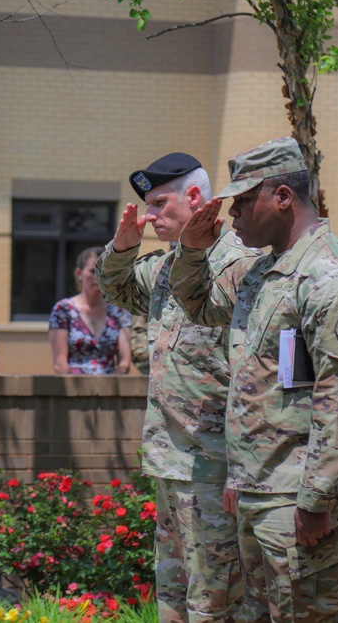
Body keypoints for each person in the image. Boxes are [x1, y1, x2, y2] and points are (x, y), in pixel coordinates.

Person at [169, 138, 338, 623]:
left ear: (284, 197)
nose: (235, 214)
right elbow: (200, 307)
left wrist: (315, 499)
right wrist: (190, 251)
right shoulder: (266, 274)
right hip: (264, 491)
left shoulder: (331, 279)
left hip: (304, 501)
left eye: (245, 201)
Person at [96, 151, 257, 622]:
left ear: (194, 197)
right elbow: (117, 289)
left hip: (214, 463)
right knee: (172, 593)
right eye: (147, 206)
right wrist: (123, 247)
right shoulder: (165, 268)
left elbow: (255, 377)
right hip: (170, 459)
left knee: (215, 600)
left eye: (160, 203)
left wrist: (241, 468)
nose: (150, 216)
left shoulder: (239, 267)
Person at [49, 247, 132, 374]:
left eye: (104, 272)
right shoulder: (63, 310)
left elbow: (124, 363)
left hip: (110, 388)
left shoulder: (119, 312)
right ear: (79, 273)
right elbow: (60, 364)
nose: (98, 277)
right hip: (74, 388)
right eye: (93, 271)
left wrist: (109, 390)